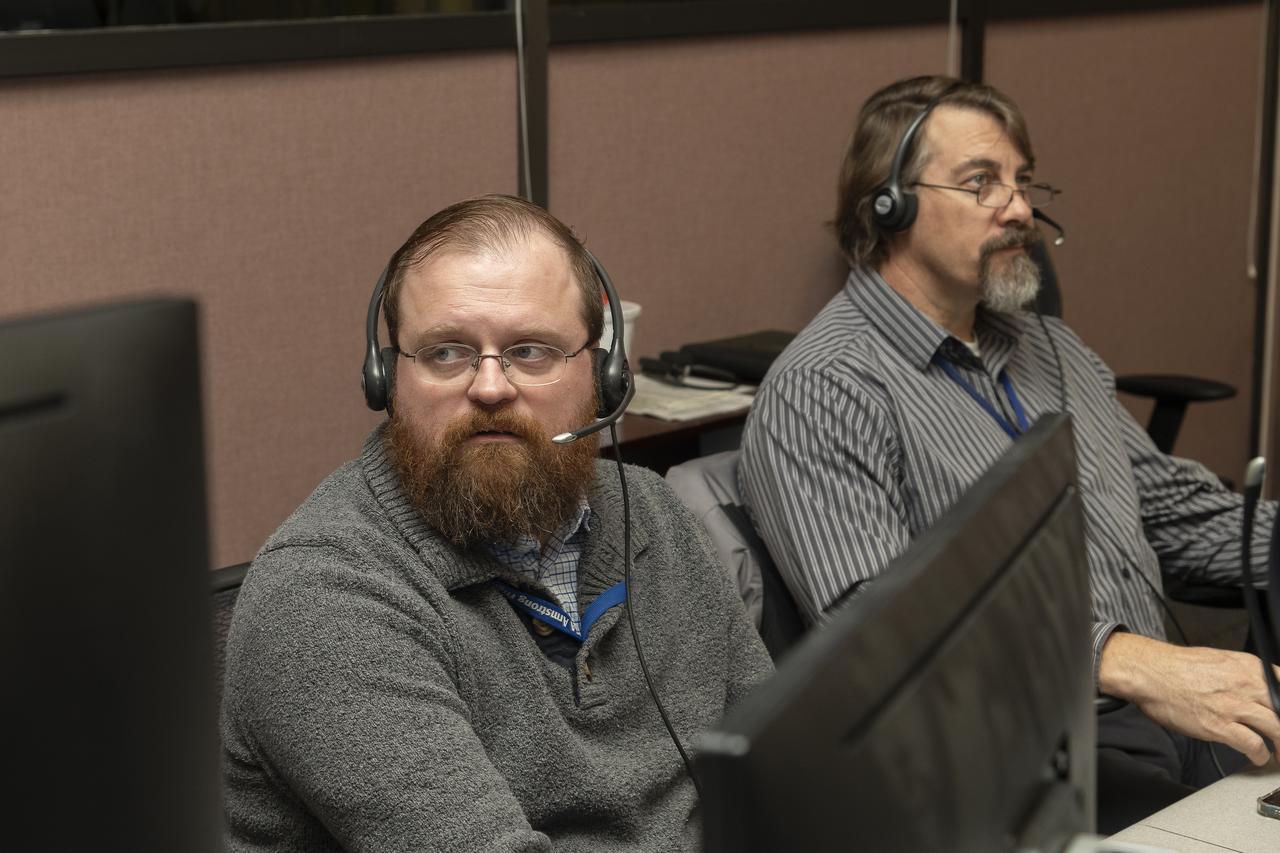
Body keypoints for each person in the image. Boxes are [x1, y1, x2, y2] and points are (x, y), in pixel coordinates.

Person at [738, 75, 1280, 832]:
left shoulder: (1048, 346)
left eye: (1023, 181)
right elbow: (881, 633)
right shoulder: (824, 389)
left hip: (1175, 708)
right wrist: (1127, 662)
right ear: (888, 205)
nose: (1020, 208)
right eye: (981, 182)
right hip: (1023, 752)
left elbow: (1172, 512)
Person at [222, 194, 772, 852]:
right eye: (446, 353)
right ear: (386, 381)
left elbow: (787, 765)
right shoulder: (325, 595)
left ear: (603, 374)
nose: (488, 387)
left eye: (531, 351)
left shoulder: (651, 511)